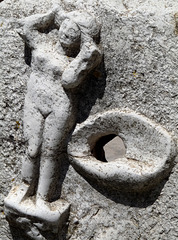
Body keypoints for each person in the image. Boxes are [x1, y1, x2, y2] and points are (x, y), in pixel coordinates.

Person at [18, 7, 102, 208]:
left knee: (50, 152)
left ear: (80, 40)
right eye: (65, 26)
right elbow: (24, 26)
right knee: (32, 148)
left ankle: (43, 198)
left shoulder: (74, 61)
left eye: (74, 32)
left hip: (59, 107)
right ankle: (24, 189)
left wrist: (86, 55)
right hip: (35, 103)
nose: (66, 33)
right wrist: (50, 14)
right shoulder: (42, 44)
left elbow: (69, 80)